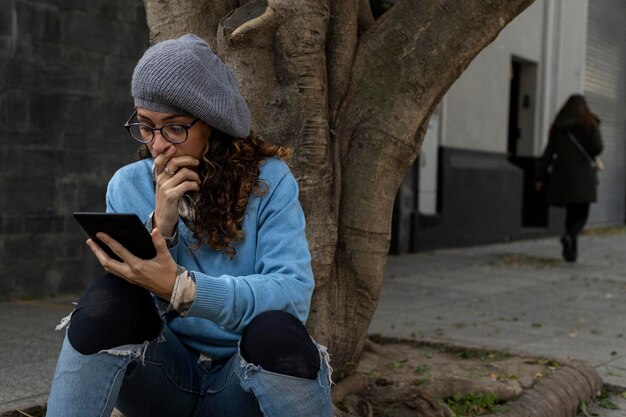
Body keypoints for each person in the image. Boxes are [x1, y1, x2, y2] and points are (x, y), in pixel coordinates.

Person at [46, 34, 333, 417]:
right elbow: (132, 317)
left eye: (175, 128)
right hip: (164, 379)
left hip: (241, 382)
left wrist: (183, 289)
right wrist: (160, 229)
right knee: (106, 301)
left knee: (277, 333)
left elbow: (292, 295)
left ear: (212, 126)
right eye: (146, 126)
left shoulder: (271, 182)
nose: (159, 145)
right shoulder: (128, 184)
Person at [535, 94, 603, 262]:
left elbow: (548, 154)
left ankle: (571, 252)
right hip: (584, 178)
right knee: (581, 214)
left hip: (562, 178)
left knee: (571, 213)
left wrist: (539, 176)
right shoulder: (589, 123)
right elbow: (597, 148)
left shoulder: (558, 127)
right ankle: (569, 235)